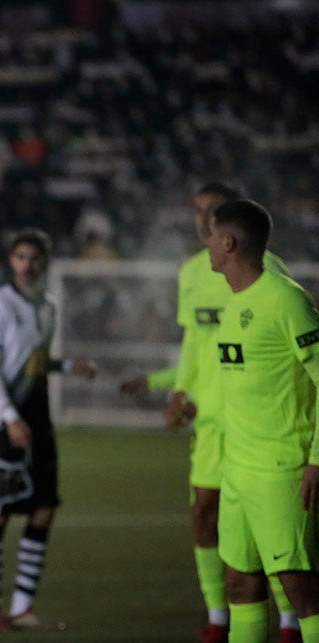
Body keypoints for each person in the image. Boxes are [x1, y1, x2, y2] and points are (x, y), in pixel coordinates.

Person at [119, 182, 300, 643]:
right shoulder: (192, 274)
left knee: (275, 539)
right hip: (214, 422)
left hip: (264, 428)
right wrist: (180, 392)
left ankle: (290, 621)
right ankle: (218, 617)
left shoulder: (270, 278)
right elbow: (196, 346)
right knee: (205, 513)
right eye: (198, 211)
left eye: (212, 211)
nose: (203, 219)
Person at [206, 198, 319, 643]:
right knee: (240, 584)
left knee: (300, 590)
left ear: (229, 242)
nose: (207, 244)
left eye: (211, 235)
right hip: (237, 471)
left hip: (281, 470)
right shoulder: (234, 304)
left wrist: (316, 460)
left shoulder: (286, 299)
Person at [0, 227, 97, 631]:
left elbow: (32, 362)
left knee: (44, 509)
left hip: (36, 416)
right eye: (20, 257)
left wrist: (65, 366)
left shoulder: (48, 306)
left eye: (35, 257)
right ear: (12, 261)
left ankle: (22, 606)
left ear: (45, 262)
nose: (27, 264)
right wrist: (9, 417)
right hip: (3, 420)